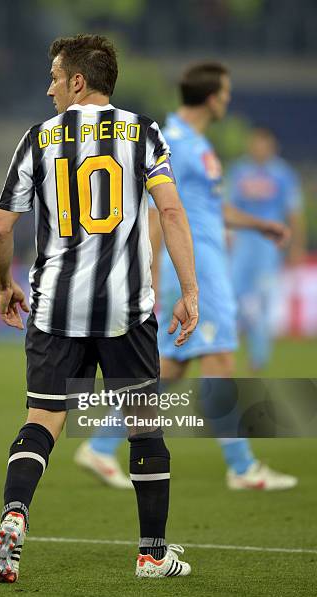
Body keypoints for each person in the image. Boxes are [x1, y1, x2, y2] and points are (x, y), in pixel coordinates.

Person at [0, 34, 199, 583]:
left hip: (55, 307)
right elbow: (171, 213)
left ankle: (15, 515)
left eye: (56, 77)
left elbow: (1, 228)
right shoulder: (144, 132)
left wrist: (5, 282)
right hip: (126, 309)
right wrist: (190, 291)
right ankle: (152, 555)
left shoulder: (38, 138)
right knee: (145, 426)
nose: (50, 87)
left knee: (44, 419)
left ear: (78, 81)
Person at [151, 62, 297, 491]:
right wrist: (155, 267)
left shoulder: (194, 143)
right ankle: (242, 465)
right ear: (213, 97)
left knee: (172, 366)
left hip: (203, 263)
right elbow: (159, 209)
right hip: (195, 268)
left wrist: (257, 224)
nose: (228, 100)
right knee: (220, 360)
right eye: (226, 93)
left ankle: (100, 446)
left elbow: (209, 208)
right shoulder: (174, 141)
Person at [228, 127, 306, 371]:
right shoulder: (239, 171)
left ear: (272, 147)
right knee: (235, 296)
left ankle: (258, 357)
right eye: (255, 143)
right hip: (243, 241)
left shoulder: (283, 174)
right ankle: (235, 347)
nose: (258, 148)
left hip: (269, 245)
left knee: (262, 299)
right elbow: (228, 206)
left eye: (263, 144)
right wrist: (228, 237)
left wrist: (296, 247)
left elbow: (294, 212)